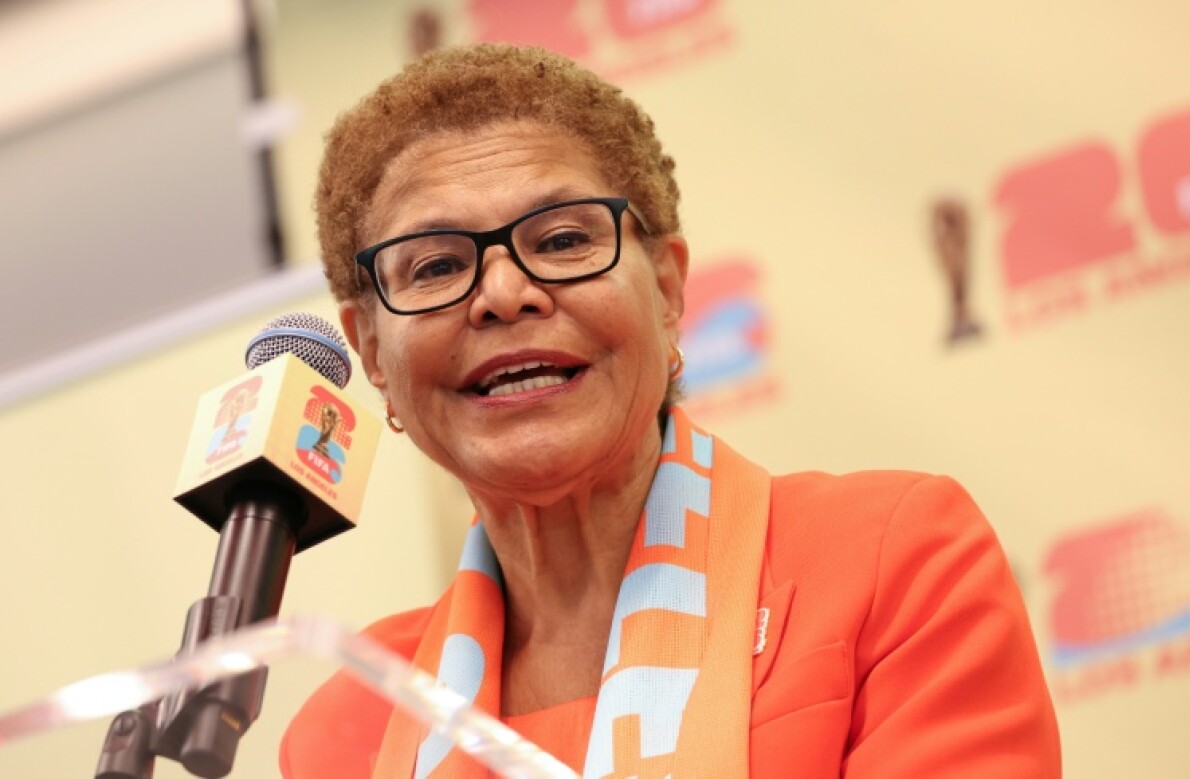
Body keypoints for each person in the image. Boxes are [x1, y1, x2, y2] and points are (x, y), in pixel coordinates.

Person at [280, 43, 1060, 778]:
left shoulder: (894, 558)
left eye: (559, 240)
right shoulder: (350, 727)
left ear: (668, 289)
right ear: (373, 351)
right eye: (437, 265)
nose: (504, 293)